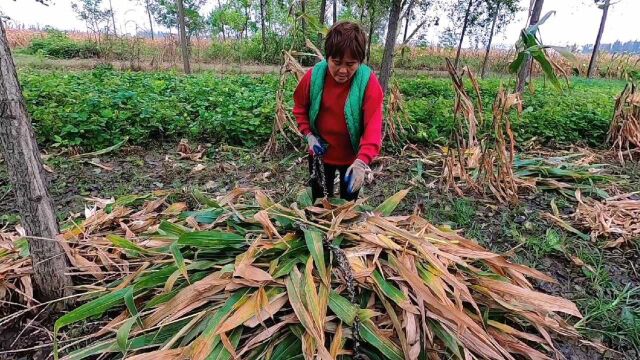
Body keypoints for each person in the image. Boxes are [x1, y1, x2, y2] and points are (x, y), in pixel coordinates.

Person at [293, 21, 384, 202]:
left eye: (351, 64)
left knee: (347, 207)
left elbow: (373, 128)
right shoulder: (314, 77)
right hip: (319, 153)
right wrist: (309, 135)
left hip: (351, 159)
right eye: (336, 62)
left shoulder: (368, 83)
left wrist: (361, 162)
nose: (343, 70)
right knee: (319, 203)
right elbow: (300, 108)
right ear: (328, 58)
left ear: (360, 61)